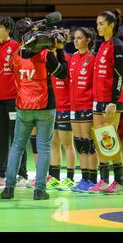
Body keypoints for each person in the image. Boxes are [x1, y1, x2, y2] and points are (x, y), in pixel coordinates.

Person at [0, 21, 68, 200]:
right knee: (44, 147)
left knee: (16, 147)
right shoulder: (46, 55)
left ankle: (8, 188)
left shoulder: (15, 56)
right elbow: (62, 73)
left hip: (23, 106)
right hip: (45, 107)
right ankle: (39, 190)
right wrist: (59, 50)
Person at [90, 9, 123, 195]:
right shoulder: (103, 45)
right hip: (98, 100)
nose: (98, 27)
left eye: (102, 24)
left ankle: (119, 182)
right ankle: (104, 180)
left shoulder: (117, 46)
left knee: (110, 140)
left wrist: (113, 101)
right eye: (97, 24)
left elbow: (119, 76)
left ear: (111, 25)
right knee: (100, 140)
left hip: (111, 101)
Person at [0, 16, 28, 186]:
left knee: (16, 136)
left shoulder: (16, 46)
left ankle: (22, 173)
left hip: (13, 99)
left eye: (0, 27)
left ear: (8, 30)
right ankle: (0, 173)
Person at [68, 27, 98, 192]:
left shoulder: (92, 58)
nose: (76, 40)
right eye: (75, 38)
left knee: (88, 143)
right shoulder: (72, 58)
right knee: (79, 143)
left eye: (80, 38)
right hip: (74, 106)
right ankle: (84, 178)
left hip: (86, 105)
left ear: (88, 40)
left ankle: (92, 179)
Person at [47, 51, 77, 190]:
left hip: (66, 107)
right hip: (53, 107)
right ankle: (55, 178)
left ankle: (70, 178)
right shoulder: (48, 59)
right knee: (53, 143)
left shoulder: (68, 59)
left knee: (67, 144)